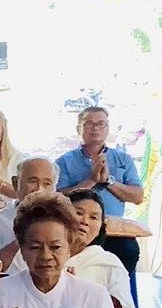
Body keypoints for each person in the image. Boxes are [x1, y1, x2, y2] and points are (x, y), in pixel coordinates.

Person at [54, 105, 145, 284]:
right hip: (76, 229)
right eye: (89, 124)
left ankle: (117, 300)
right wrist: (91, 181)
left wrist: (109, 181)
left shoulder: (123, 159)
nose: (95, 128)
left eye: (100, 124)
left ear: (107, 128)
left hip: (112, 231)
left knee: (129, 251)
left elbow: (137, 196)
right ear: (79, 128)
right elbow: (57, 198)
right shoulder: (64, 162)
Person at [65, 188, 135, 308]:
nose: (85, 221)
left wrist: (83, 295)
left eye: (93, 217)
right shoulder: (42, 254)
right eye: (78, 213)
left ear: (100, 228)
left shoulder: (107, 263)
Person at [0, 156, 57, 269]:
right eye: (33, 181)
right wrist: (22, 238)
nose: (39, 189)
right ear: (16, 183)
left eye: (47, 184)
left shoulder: (63, 222)